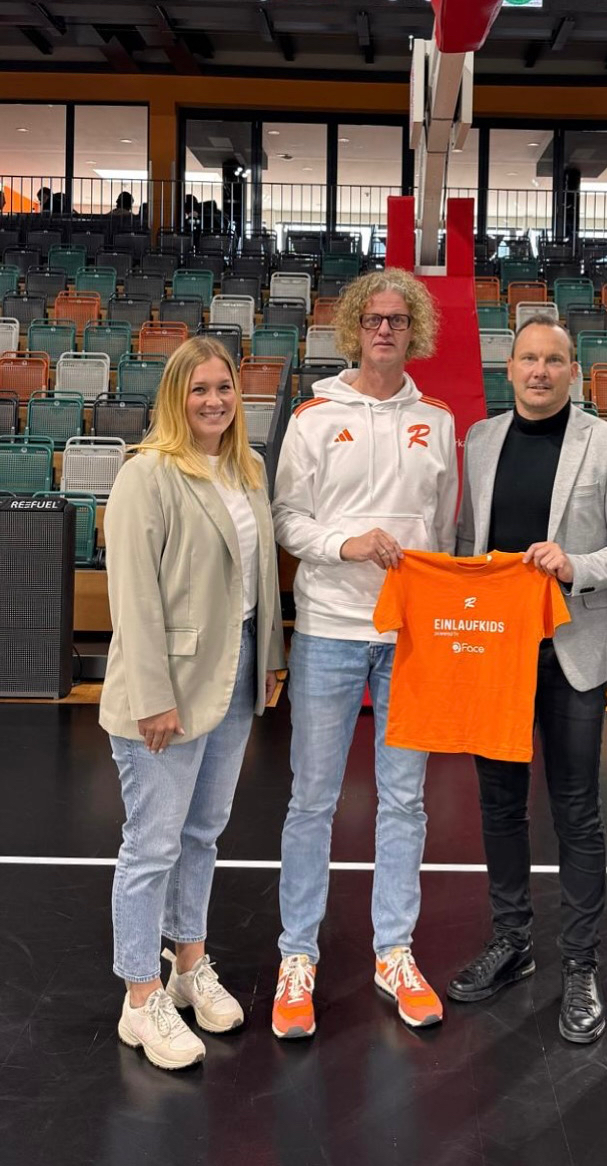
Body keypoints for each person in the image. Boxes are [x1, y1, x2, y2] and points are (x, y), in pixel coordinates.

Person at [449, 314, 607, 1043]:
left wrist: (576, 565)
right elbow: (464, 543)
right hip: (494, 654)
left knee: (576, 811)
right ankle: (512, 944)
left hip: (569, 649)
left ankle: (578, 964)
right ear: (508, 369)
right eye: (527, 359)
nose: (538, 371)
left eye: (553, 360)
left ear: (573, 370)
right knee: (499, 806)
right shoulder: (479, 441)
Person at [271, 267, 457, 1038]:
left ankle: (394, 951)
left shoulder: (438, 420)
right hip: (327, 630)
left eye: (398, 321)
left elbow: (444, 534)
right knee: (312, 801)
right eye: (373, 320)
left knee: (405, 800)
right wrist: (346, 544)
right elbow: (286, 519)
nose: (385, 330)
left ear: (415, 332)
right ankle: (296, 957)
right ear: (354, 330)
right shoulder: (316, 415)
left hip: (407, 639)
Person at [100, 336, 286, 1071]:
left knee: (202, 834)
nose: (213, 400)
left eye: (224, 387)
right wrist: (153, 696)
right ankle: (139, 1000)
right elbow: (134, 599)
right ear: (175, 396)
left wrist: (270, 658)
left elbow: (262, 581)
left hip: (235, 676)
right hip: (166, 691)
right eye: (198, 389)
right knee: (151, 846)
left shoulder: (247, 468)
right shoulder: (147, 475)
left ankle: (188, 967)